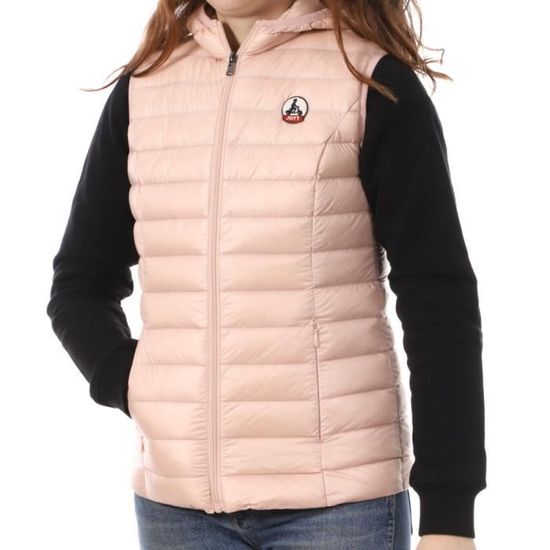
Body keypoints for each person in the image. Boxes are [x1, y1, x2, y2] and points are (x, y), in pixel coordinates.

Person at [46, 1, 487, 548]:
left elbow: (438, 300)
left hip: (339, 505)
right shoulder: (146, 88)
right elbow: (80, 283)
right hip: (177, 509)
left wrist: (449, 514)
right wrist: (130, 381)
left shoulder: (368, 80)